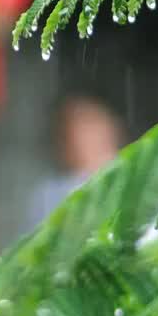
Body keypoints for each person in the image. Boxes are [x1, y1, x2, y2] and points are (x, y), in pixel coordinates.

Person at [26, 96, 123, 228]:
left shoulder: (139, 176)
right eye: (70, 129)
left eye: (91, 124)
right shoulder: (50, 193)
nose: (85, 137)